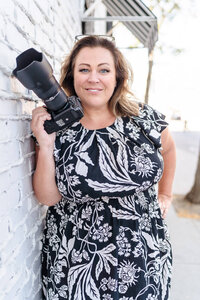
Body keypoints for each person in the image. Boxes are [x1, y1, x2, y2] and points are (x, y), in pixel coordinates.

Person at [31, 35, 176, 300]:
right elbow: (47, 197)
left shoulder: (142, 118)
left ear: (117, 76)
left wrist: (165, 194)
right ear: (72, 77)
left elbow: (168, 148)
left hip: (145, 262)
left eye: (104, 70)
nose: (93, 78)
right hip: (76, 264)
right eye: (84, 69)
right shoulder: (57, 126)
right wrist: (46, 144)